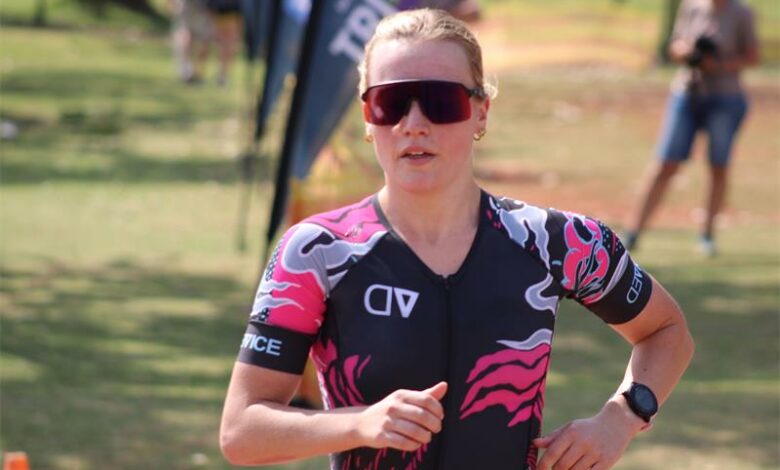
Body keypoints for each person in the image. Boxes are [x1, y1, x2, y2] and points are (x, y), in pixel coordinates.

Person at [220, 9, 695, 470]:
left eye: (440, 101)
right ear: (367, 118)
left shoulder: (556, 241)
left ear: (481, 111)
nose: (413, 123)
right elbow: (242, 432)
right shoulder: (316, 253)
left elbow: (666, 332)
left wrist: (621, 418)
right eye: (389, 102)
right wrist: (359, 423)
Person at [624, 0, 760, 256]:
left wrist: (717, 63)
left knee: (718, 165)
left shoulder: (741, 13)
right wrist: (688, 52)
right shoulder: (692, 6)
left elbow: (753, 56)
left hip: (725, 97)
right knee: (666, 163)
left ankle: (707, 234)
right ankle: (633, 232)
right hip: (687, 93)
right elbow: (674, 45)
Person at [169, 0, 212, 84]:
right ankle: (187, 69)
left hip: (202, 8)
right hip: (188, 7)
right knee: (186, 35)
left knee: (203, 41)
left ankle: (195, 71)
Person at [204, 0, 243, 86]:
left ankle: (223, 74)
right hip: (218, 16)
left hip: (233, 17)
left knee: (228, 48)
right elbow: (209, 5)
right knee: (220, 47)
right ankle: (218, 74)